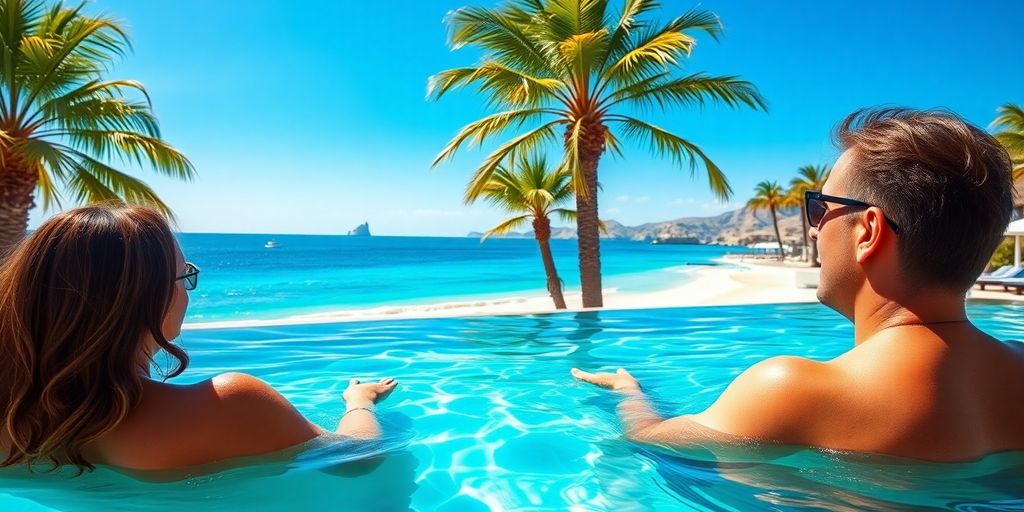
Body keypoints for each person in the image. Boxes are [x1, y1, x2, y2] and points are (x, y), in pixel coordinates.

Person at [572, 108, 1024, 462]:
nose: (812, 230)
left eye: (819, 209)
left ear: (867, 232)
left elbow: (648, 441)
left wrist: (631, 394)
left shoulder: (792, 391)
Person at [0, 205, 398, 472]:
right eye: (184, 275)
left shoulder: (13, 421)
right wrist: (360, 401)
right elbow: (359, 460)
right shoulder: (230, 404)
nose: (188, 289)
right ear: (146, 299)